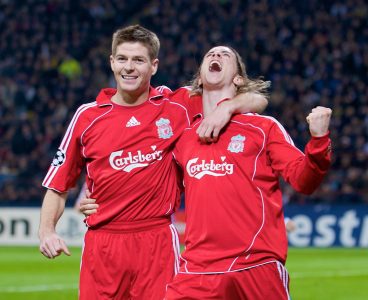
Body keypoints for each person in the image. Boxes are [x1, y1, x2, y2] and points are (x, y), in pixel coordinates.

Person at [38, 25, 267, 300]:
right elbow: (58, 185)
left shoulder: (177, 105)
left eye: (138, 60)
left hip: (156, 240)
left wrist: (226, 109)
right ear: (111, 62)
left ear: (154, 66)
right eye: (122, 58)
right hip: (103, 242)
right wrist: (47, 231)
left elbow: (257, 99)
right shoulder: (88, 116)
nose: (129, 67)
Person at [163, 46, 332, 299]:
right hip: (197, 270)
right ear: (199, 78)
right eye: (209, 54)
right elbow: (155, 185)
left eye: (225, 55)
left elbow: (303, 181)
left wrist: (318, 142)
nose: (215, 56)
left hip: (255, 265)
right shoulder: (184, 138)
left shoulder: (263, 128)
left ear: (238, 79)